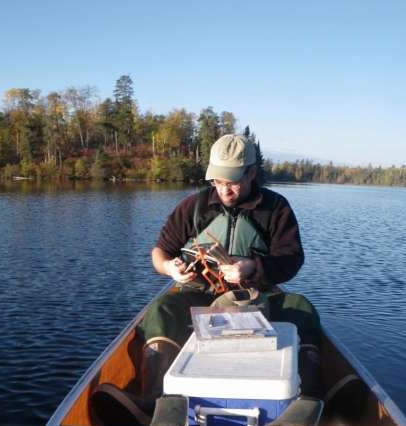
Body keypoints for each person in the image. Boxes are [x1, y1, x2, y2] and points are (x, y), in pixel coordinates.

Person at [137, 134, 323, 402]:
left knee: (302, 309)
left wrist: (252, 267)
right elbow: (160, 251)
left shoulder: (276, 208)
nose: (224, 191)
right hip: (200, 297)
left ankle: (309, 400)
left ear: (251, 173)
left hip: (257, 298)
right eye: (218, 182)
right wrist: (170, 268)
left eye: (232, 183)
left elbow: (292, 259)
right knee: (161, 310)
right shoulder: (194, 207)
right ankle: (154, 398)